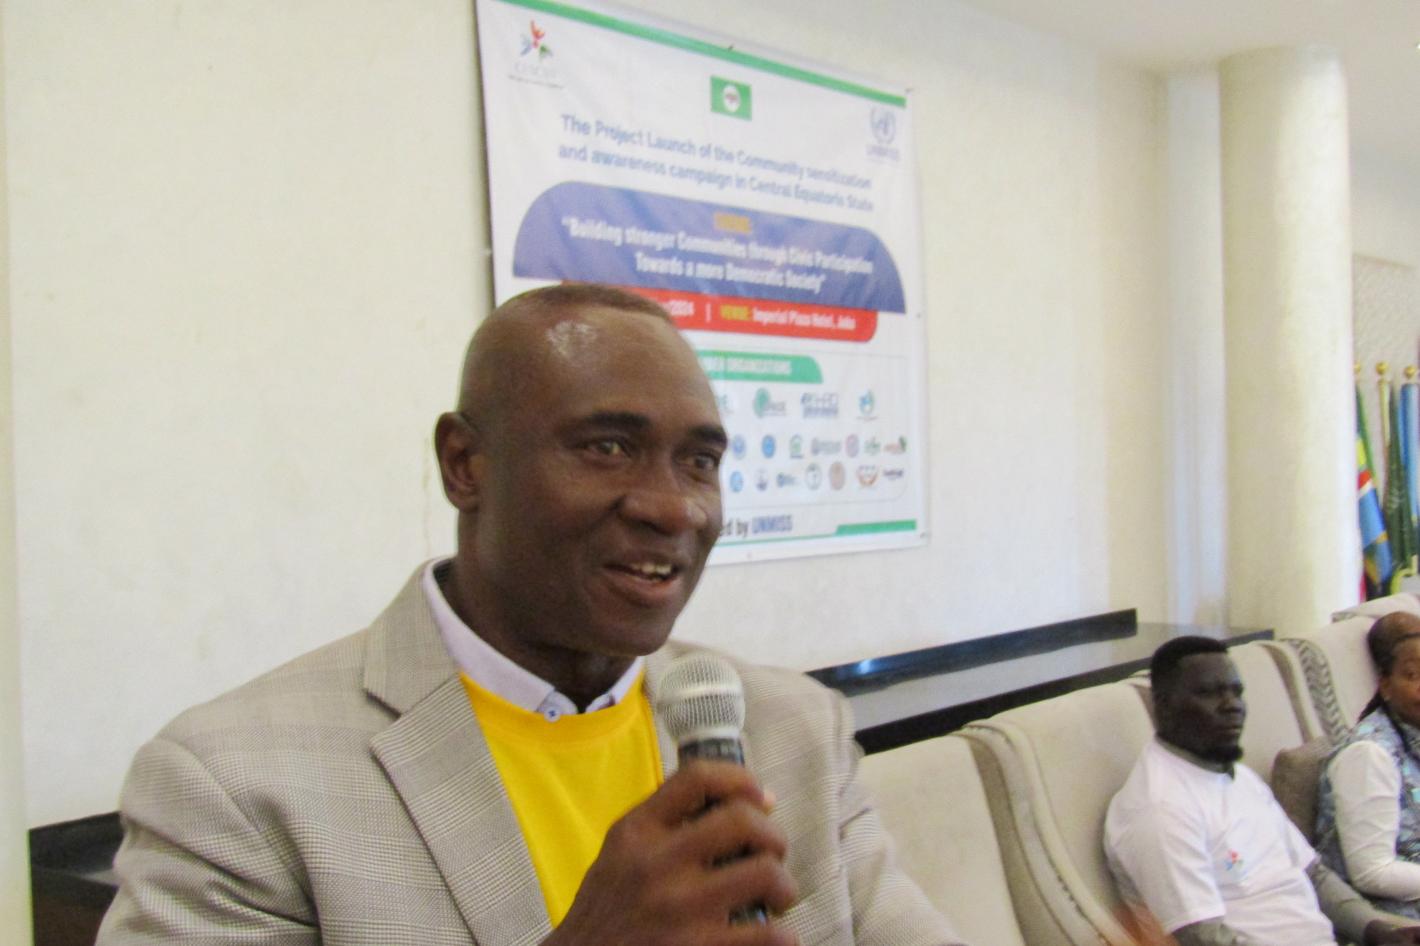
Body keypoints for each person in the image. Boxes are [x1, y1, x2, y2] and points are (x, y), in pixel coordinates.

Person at [96, 284, 964, 946]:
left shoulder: (793, 728)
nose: (673, 507)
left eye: (699, 461)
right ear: (464, 464)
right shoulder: (234, 785)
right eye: (608, 447)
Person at [1105, 636, 1420, 946]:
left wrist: (1376, 930)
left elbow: (1313, 874)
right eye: (1209, 693)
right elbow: (1204, 938)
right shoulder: (1161, 810)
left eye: (1236, 692)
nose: (1231, 705)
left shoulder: (1237, 777)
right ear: (1164, 706)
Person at [1316, 612, 1420, 918]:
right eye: (1414, 675)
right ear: (1385, 685)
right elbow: (1372, 871)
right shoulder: (1368, 755)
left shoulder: (1412, 735)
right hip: (1394, 920)